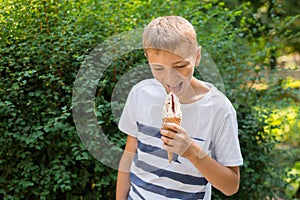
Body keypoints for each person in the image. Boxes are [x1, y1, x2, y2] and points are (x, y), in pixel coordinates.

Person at [116, 16, 243, 200]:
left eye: (180, 66)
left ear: (197, 57)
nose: (170, 78)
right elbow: (128, 159)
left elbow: (231, 186)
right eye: (158, 68)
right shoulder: (140, 94)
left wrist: (191, 151)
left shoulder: (219, 109)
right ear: (147, 58)